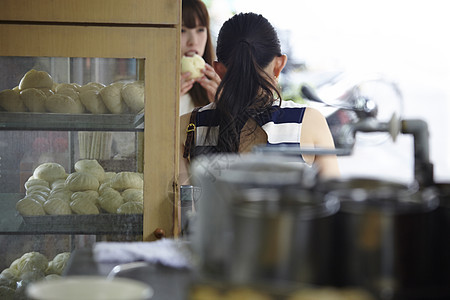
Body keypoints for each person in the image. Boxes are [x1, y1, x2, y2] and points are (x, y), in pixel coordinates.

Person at [179, 12, 340, 183]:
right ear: (279, 65)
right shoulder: (308, 122)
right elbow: (334, 198)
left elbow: (179, 205)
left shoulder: (186, 126)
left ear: (219, 70)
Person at [180, 0, 221, 115]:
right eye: (182, 30)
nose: (193, 42)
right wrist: (165, 101)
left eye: (200, 30)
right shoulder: (151, 84)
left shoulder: (216, 87)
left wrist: (222, 107)